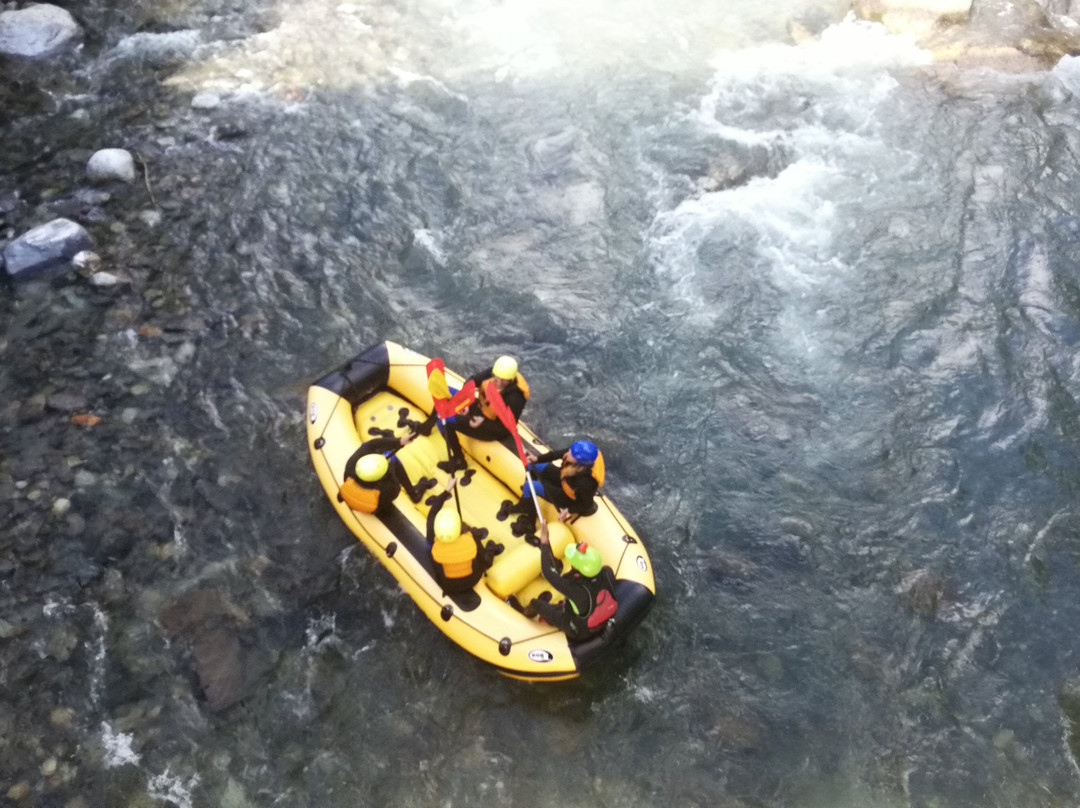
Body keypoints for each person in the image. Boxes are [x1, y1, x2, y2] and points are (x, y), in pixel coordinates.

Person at [508, 522, 618, 641]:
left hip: (579, 630)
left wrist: (544, 542)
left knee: (536, 603)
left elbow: (548, 573)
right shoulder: (607, 572)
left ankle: (522, 611)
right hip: (597, 615)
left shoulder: (576, 591)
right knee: (573, 600)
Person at [419, 356, 530, 468]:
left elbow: (506, 428)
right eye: (497, 378)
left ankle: (459, 460)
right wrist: (465, 402)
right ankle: (426, 428)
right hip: (480, 408)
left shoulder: (515, 399)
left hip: (491, 428)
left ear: (511, 379)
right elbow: (472, 381)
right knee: (444, 394)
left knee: (445, 419)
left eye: (504, 380)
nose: (499, 382)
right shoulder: (498, 372)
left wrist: (482, 422)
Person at [426, 476, 503, 593]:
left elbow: (432, 512)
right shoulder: (470, 536)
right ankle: (491, 552)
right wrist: (449, 488)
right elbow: (481, 556)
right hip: (472, 580)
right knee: (482, 554)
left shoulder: (432, 538)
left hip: (449, 586)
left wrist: (446, 490)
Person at [514, 439, 604, 526]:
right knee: (532, 466)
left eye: (571, 455)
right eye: (570, 450)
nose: (567, 453)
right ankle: (527, 499)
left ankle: (530, 521)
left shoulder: (586, 482)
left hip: (567, 498)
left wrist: (568, 510)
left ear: (579, 462)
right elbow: (554, 455)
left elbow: (587, 505)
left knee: (528, 486)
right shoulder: (575, 452)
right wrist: (536, 459)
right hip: (565, 480)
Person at [340, 433, 429, 517]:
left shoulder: (350, 467)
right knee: (392, 458)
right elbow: (396, 489)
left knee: (365, 446)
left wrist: (399, 441)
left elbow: (369, 445)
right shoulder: (386, 489)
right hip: (374, 507)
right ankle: (414, 494)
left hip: (353, 497)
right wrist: (390, 468)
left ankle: (413, 493)